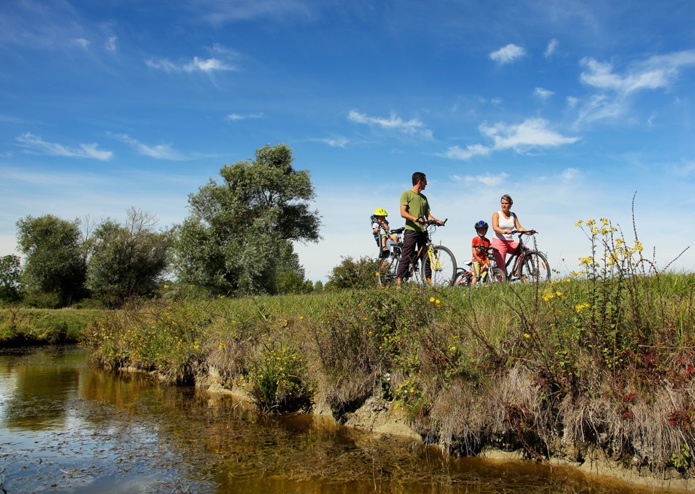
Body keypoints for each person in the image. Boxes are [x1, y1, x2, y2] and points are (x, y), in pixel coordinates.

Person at [396, 172, 445, 287]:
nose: (426, 184)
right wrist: (415, 219)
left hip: (422, 231)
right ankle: (398, 284)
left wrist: (436, 221)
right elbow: (403, 213)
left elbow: (428, 215)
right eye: (425, 181)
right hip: (411, 230)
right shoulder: (406, 194)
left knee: (426, 257)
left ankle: (428, 283)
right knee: (406, 256)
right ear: (420, 182)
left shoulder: (424, 198)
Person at [491, 194, 535, 278]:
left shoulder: (513, 215)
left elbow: (519, 227)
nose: (504, 205)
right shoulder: (496, 214)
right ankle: (502, 287)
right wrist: (504, 231)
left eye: (506, 203)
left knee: (526, 252)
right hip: (499, 242)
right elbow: (495, 227)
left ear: (510, 204)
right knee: (502, 270)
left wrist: (528, 232)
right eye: (502, 203)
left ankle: (517, 270)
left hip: (510, 242)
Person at [470, 220, 491, 287]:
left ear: (486, 231)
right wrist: (477, 258)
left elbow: (489, 247)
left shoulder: (487, 241)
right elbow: (473, 249)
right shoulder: (475, 239)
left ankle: (485, 286)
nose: (481, 232)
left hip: (484, 260)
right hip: (476, 260)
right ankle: (472, 289)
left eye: (483, 230)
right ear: (477, 231)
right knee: (476, 275)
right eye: (480, 230)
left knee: (486, 272)